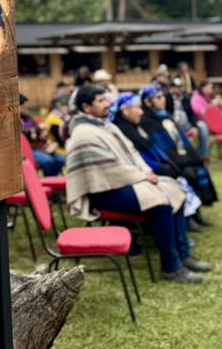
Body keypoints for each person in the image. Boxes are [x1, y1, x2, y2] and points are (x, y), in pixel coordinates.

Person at [66, 84, 212, 283]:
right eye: (100, 101)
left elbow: (133, 154)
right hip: (105, 192)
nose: (107, 104)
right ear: (85, 107)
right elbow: (110, 170)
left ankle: (184, 255)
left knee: (173, 188)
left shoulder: (105, 126)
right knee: (162, 203)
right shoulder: (83, 133)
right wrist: (142, 177)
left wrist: (147, 172)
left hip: (125, 183)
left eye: (106, 99)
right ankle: (171, 267)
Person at [136, 86, 218, 215]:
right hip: (172, 161)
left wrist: (192, 156)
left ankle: (198, 210)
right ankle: (190, 215)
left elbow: (182, 140)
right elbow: (161, 148)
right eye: (158, 98)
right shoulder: (147, 121)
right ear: (148, 102)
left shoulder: (167, 116)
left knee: (199, 168)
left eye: (162, 96)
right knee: (189, 173)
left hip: (182, 156)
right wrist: (182, 160)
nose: (162, 100)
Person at [20, 94, 64, 176]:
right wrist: (37, 131)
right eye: (24, 107)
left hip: (40, 147)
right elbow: (25, 135)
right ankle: (50, 181)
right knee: (47, 161)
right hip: (30, 150)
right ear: (18, 107)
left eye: (26, 106)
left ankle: (53, 180)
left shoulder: (28, 118)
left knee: (60, 159)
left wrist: (42, 132)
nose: (26, 109)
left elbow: (39, 131)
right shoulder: (18, 121)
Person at [169, 77, 210, 158]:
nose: (178, 89)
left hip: (187, 125)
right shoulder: (168, 98)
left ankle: (202, 155)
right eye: (176, 87)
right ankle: (176, 156)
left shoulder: (186, 98)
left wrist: (194, 126)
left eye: (180, 87)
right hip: (174, 126)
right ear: (172, 88)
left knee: (203, 126)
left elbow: (192, 114)